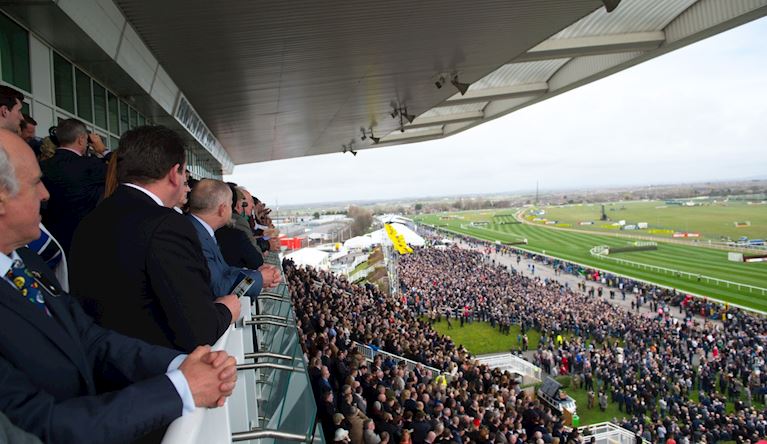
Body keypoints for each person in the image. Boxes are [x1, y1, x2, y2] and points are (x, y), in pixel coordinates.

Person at [0, 128, 238, 443]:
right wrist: (181, 388)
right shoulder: (164, 224)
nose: (45, 194)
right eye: (34, 183)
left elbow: (89, 338)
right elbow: (39, 423)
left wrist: (182, 364)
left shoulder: (27, 262)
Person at [69, 126, 240, 352]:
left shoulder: (89, 220)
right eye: (184, 174)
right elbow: (199, 330)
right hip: (156, 371)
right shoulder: (167, 225)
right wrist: (227, 310)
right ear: (174, 173)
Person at [186, 179, 280, 298]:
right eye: (231, 205)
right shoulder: (195, 236)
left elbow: (225, 271)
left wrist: (256, 274)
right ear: (223, 209)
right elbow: (218, 288)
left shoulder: (202, 231)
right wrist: (259, 279)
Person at [39, 118, 108, 255]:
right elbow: (126, 169)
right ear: (82, 140)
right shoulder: (92, 165)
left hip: (50, 241)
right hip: (84, 242)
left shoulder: (42, 166)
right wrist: (103, 150)